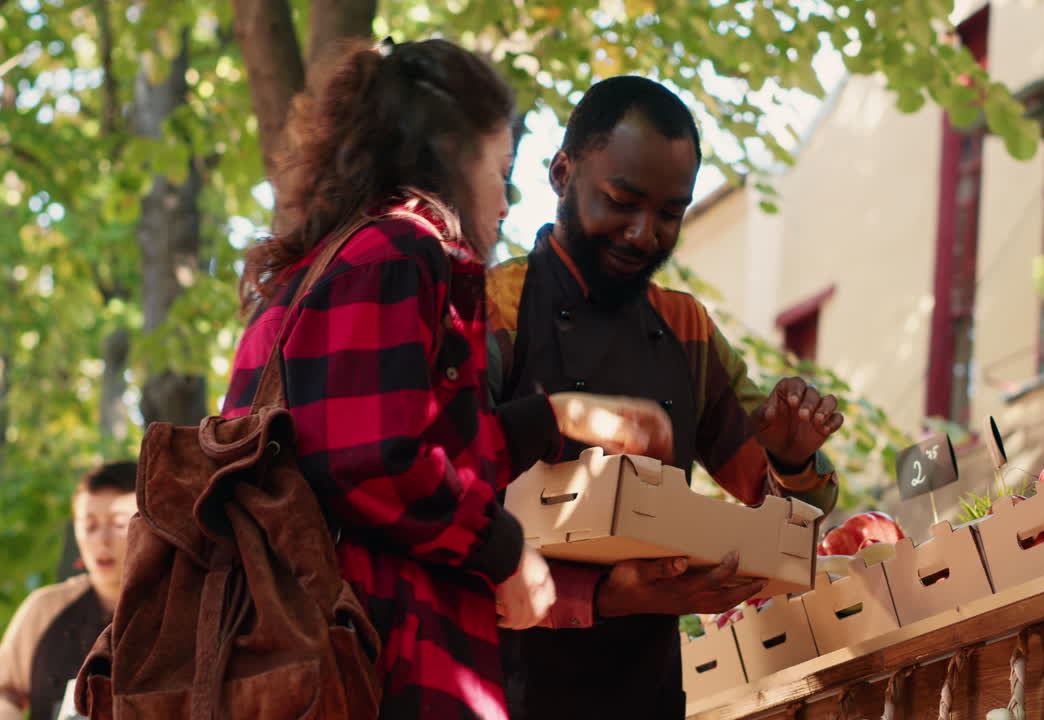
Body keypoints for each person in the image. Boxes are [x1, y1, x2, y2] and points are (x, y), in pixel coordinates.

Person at [223, 40, 672, 720]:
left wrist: (560, 419)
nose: (507, 200)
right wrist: (503, 552)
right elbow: (375, 460)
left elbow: (418, 442)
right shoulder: (402, 252)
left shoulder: (326, 268)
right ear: (453, 160)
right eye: (502, 170)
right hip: (376, 663)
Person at [487, 76, 845, 719]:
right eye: (621, 201)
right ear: (561, 173)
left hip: (646, 693)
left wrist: (792, 462)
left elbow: (789, 524)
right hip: (498, 689)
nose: (643, 234)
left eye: (670, 214)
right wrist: (606, 593)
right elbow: (438, 515)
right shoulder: (492, 309)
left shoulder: (686, 328)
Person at [0, 461, 139, 720]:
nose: (102, 540)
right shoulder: (44, 608)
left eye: (119, 524)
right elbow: (3, 691)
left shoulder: (179, 611)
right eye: (90, 526)